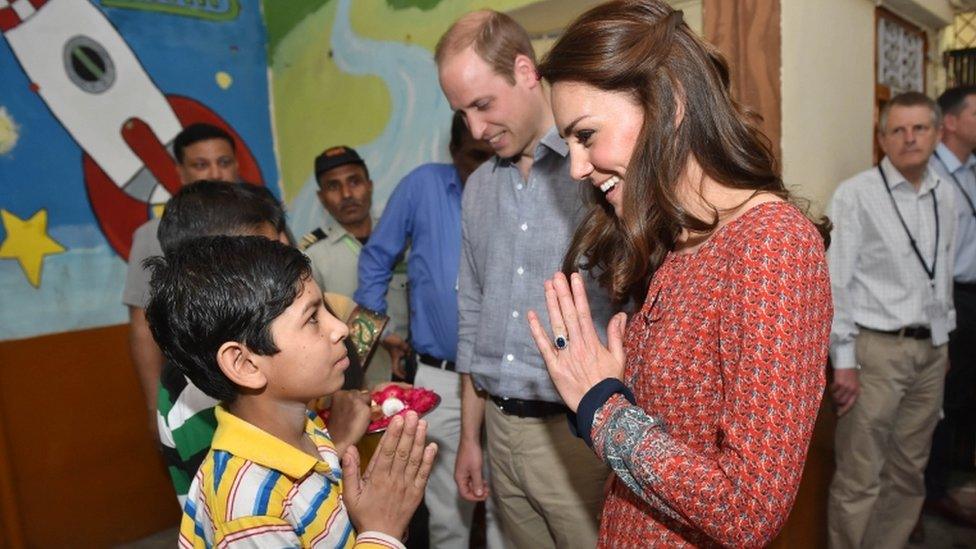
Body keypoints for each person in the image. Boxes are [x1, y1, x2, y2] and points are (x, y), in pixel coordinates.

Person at [524, 1, 833, 547]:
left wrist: (602, 407)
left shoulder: (772, 246)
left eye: (586, 135)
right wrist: (617, 393)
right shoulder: (678, 240)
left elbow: (747, 511)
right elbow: (676, 433)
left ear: (670, 104)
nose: (574, 166)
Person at [435, 10, 613, 548]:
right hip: (498, 431)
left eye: (483, 104)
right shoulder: (478, 191)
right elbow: (472, 319)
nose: (475, 130)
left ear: (525, 70)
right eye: (461, 113)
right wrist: (471, 437)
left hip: (577, 437)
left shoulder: (599, 172)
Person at [145, 235, 437, 547]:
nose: (340, 328)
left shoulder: (304, 427)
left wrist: (368, 521)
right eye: (312, 318)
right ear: (245, 364)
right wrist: (382, 531)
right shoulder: (248, 508)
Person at [354, 112, 497, 548]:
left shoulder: (514, 186)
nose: (486, 167)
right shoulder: (423, 186)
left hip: (508, 380)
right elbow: (377, 259)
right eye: (475, 157)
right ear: (453, 152)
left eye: (493, 156)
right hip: (441, 379)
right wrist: (378, 336)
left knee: (509, 510)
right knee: (449, 510)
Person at [825, 91, 956, 548]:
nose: (909, 138)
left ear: (938, 134)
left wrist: (944, 344)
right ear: (881, 139)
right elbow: (836, 283)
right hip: (875, 352)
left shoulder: (946, 197)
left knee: (908, 472)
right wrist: (843, 361)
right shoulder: (856, 196)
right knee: (860, 475)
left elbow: (940, 277)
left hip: (929, 352)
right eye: (897, 130)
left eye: (920, 128)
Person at [151, 180, 294, 505]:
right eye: (267, 251)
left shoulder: (243, 348)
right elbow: (245, 504)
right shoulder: (198, 391)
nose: (285, 256)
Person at [123, 122, 240, 425]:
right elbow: (142, 328)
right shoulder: (153, 236)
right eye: (201, 165)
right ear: (181, 172)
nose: (215, 174)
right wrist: (153, 409)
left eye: (224, 162)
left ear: (236, 167)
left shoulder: (263, 224)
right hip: (195, 401)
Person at [301, 146, 409, 388]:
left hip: (416, 364)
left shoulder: (401, 234)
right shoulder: (312, 255)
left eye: (354, 181)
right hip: (359, 378)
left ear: (369, 185)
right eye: (333, 186)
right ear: (321, 197)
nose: (347, 194)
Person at [920, 85, 976, 533]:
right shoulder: (929, 177)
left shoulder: (971, 170)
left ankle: (946, 482)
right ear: (951, 122)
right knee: (940, 398)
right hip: (948, 298)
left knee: (959, 396)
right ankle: (929, 493)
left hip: (968, 297)